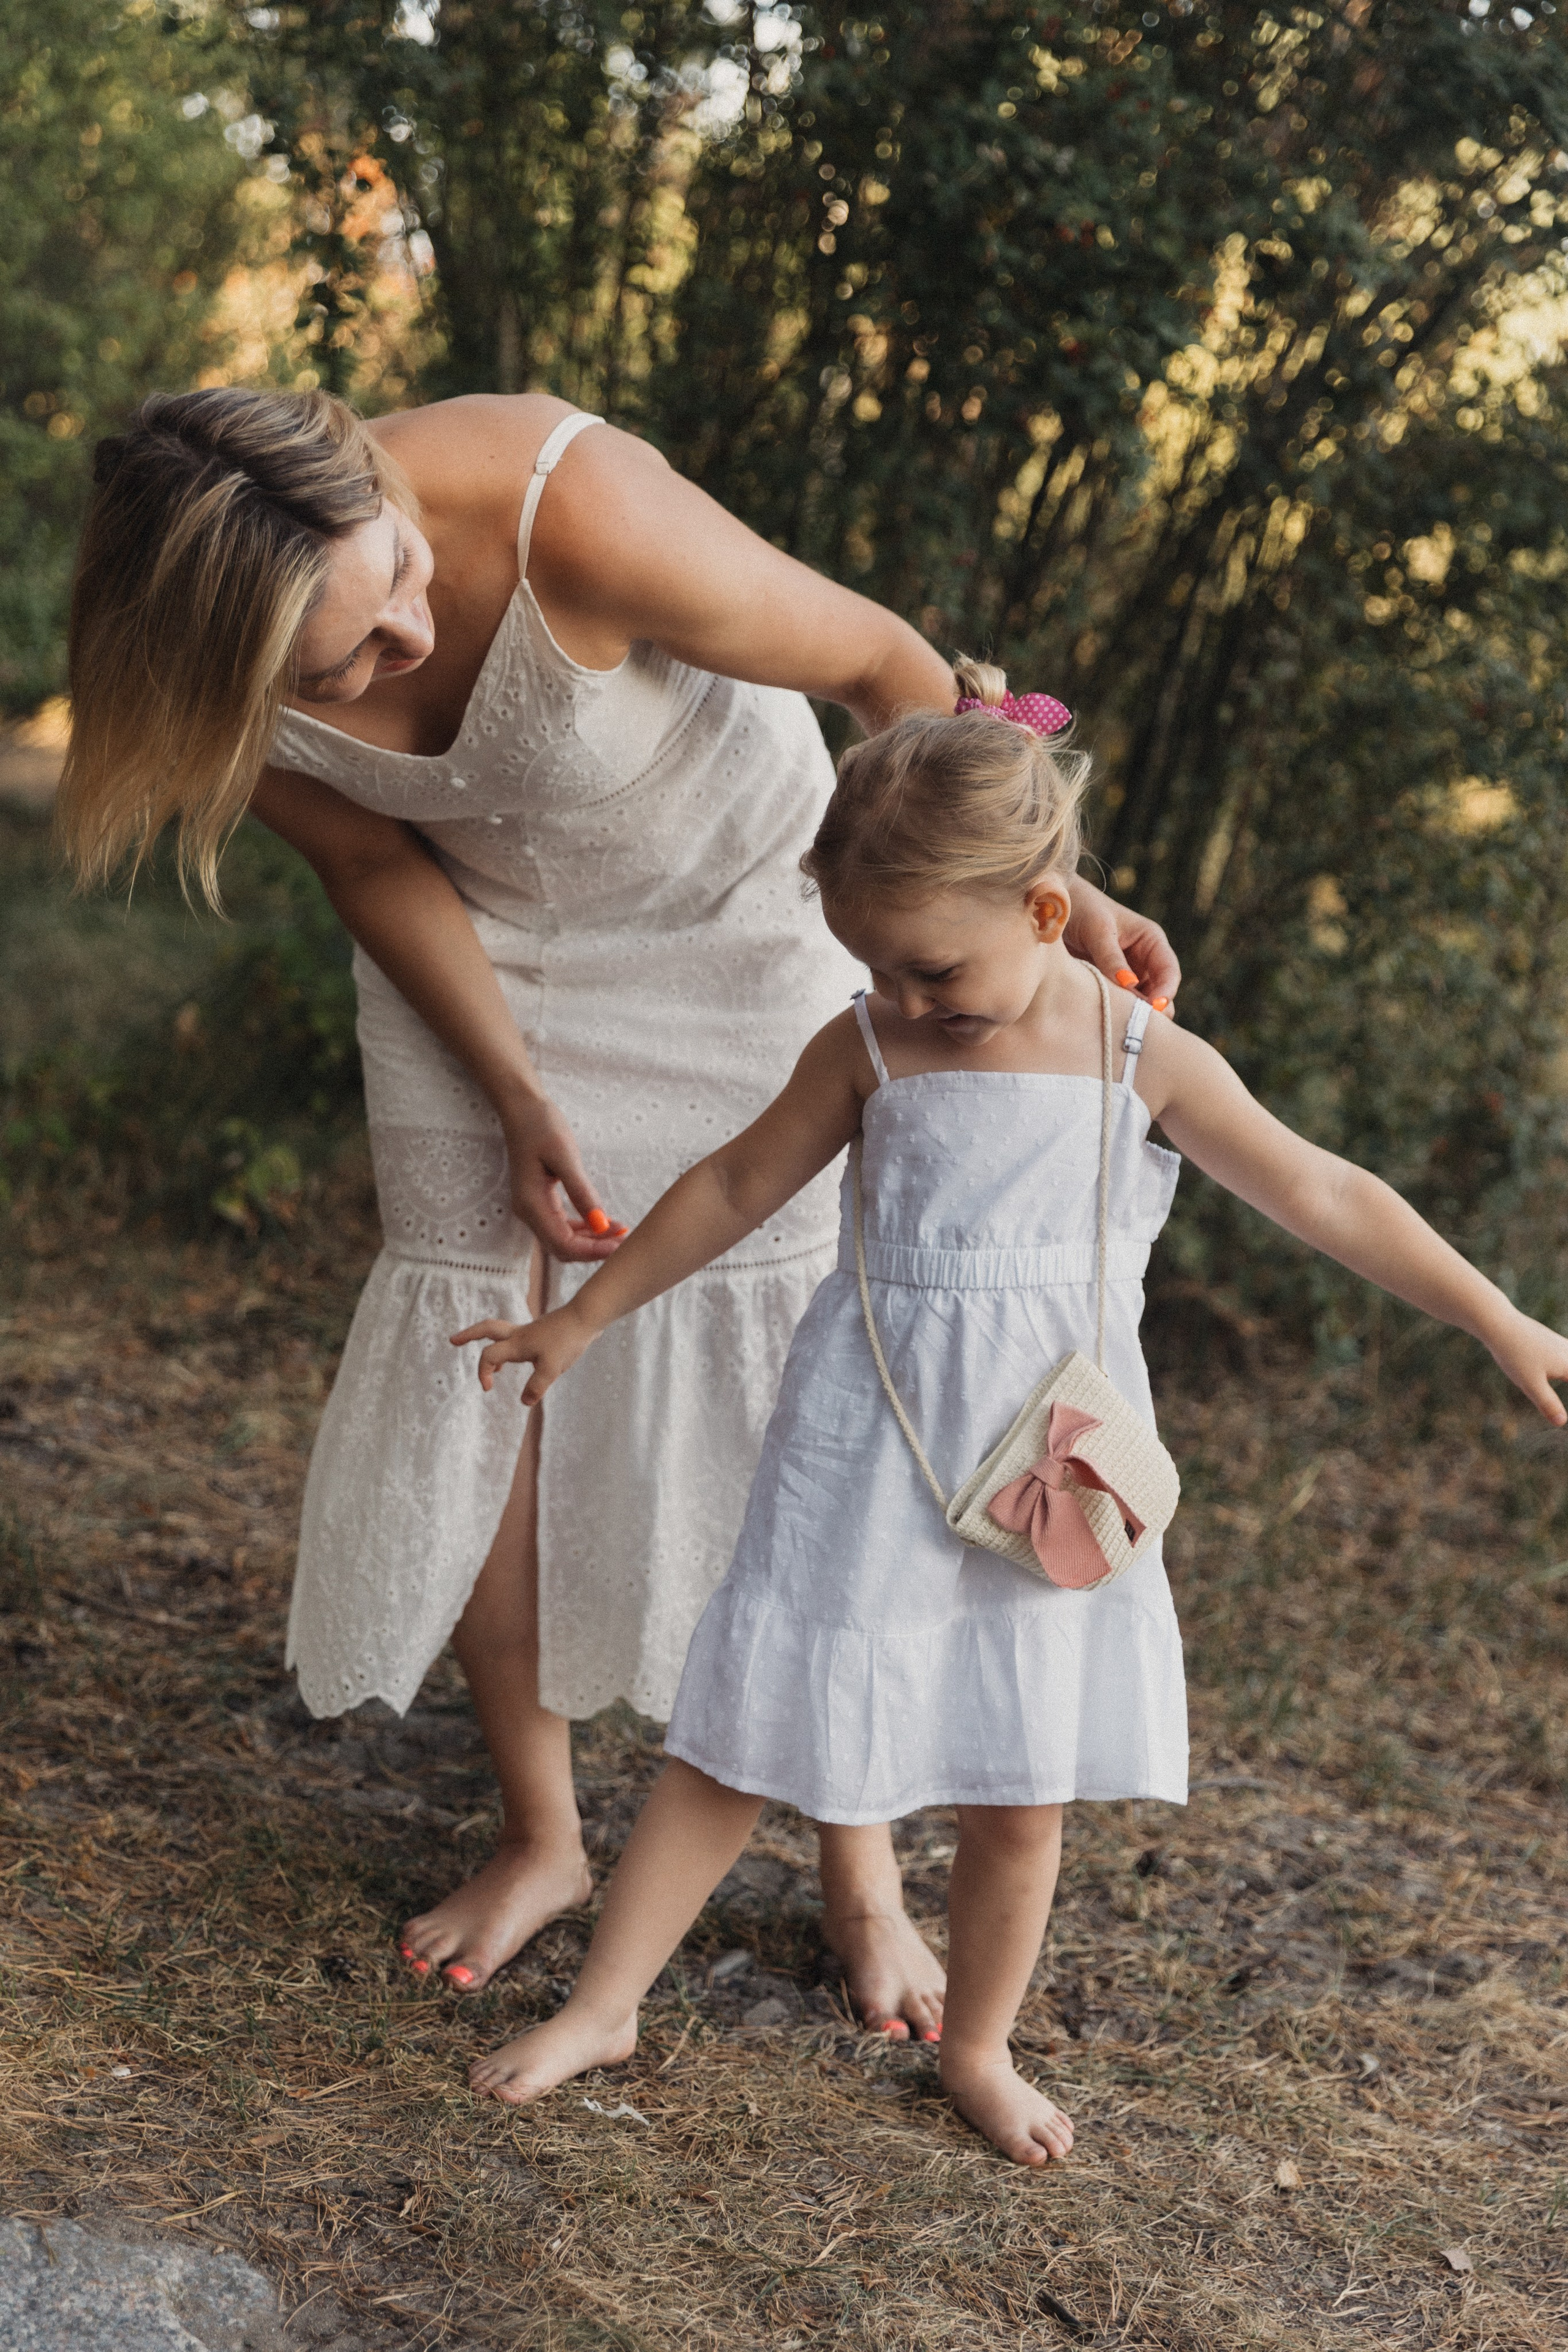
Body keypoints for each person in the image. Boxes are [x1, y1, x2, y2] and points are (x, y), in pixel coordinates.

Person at [55, 388, 1178, 2035]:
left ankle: (856, 1868)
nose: (408, 643)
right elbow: (378, 868)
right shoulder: (199, 679)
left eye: (401, 590)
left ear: (380, 490)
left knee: (810, 1375)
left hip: (739, 925)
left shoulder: (559, 507)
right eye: (342, 667)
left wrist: (1038, 903)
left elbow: (885, 667)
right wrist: (514, 1092)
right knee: (489, 1352)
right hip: (477, 962)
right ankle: (544, 1834)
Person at [451, 663, 1568, 2163]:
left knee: (1018, 1781)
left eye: (933, 973)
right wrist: (581, 1316)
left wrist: (1494, 1314)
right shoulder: (864, 1048)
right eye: (876, 969)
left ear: (1048, 917)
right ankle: (608, 2002)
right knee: (738, 1734)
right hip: (867, 1445)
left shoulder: (1131, 1054)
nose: (906, 1000)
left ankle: (973, 2043)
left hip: (1043, 1464)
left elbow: (1317, 1187)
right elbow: (729, 1185)